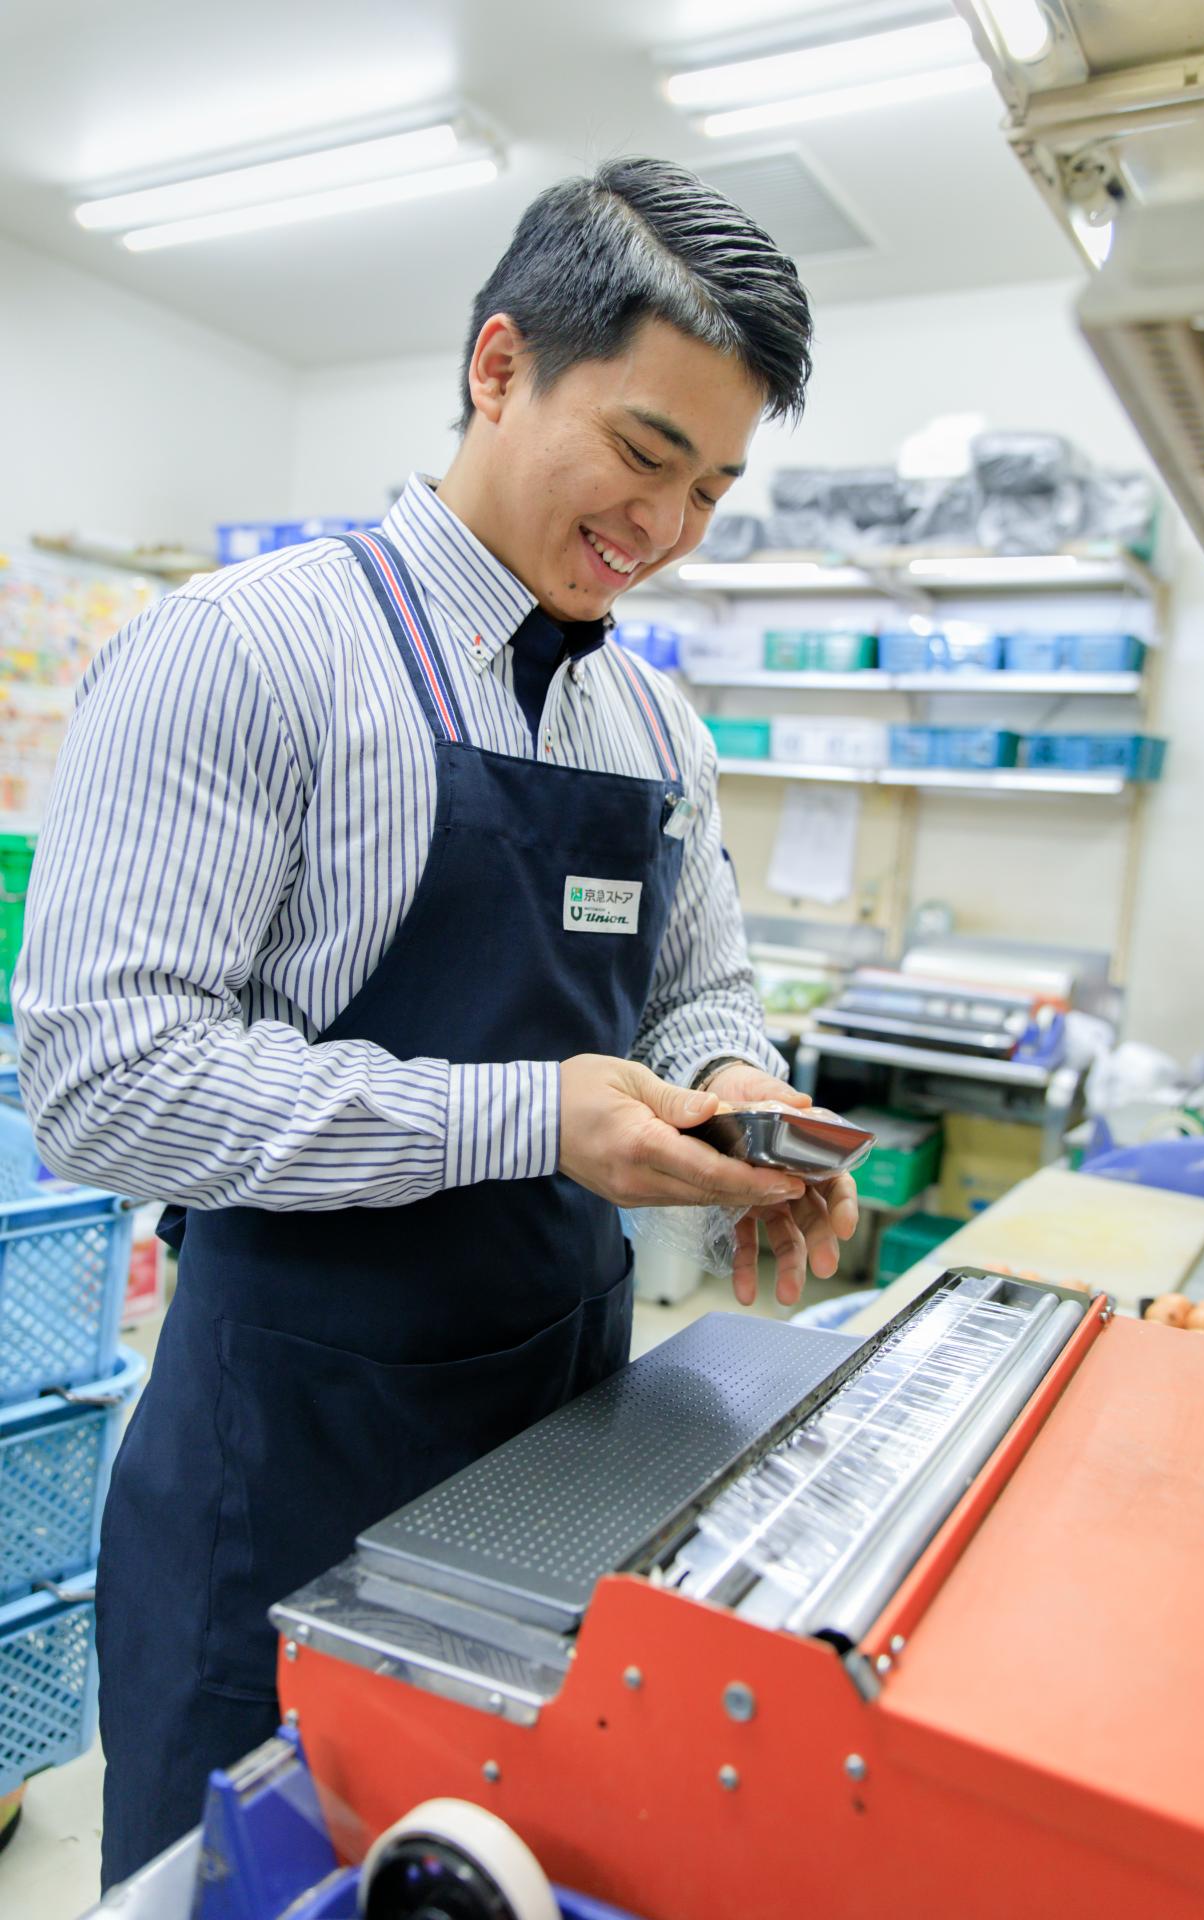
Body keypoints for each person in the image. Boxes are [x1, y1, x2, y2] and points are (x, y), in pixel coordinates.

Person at [13, 156, 858, 1887]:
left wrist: (740, 1096)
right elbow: (103, 1084)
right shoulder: (247, 657)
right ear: (498, 367)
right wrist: (533, 1116)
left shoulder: (655, 730)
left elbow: (698, 984)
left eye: (711, 489)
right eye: (642, 455)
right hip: (286, 1458)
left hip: (562, 1443)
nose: (666, 530)